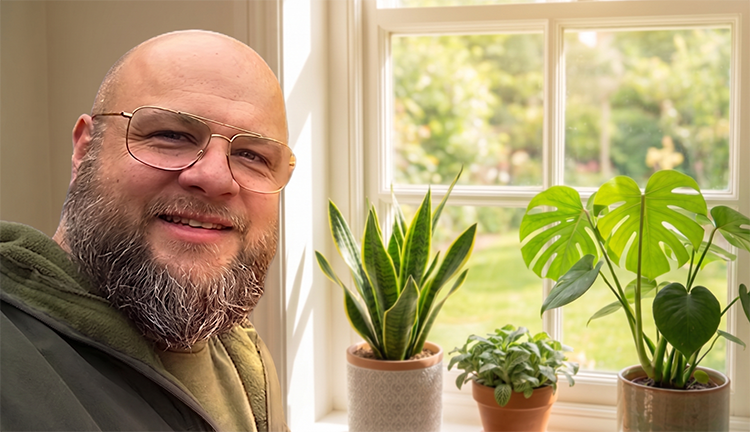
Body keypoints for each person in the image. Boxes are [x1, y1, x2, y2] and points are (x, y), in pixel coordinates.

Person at [0, 30, 293, 432]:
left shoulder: (240, 351)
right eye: (171, 135)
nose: (215, 178)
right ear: (85, 149)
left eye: (251, 155)